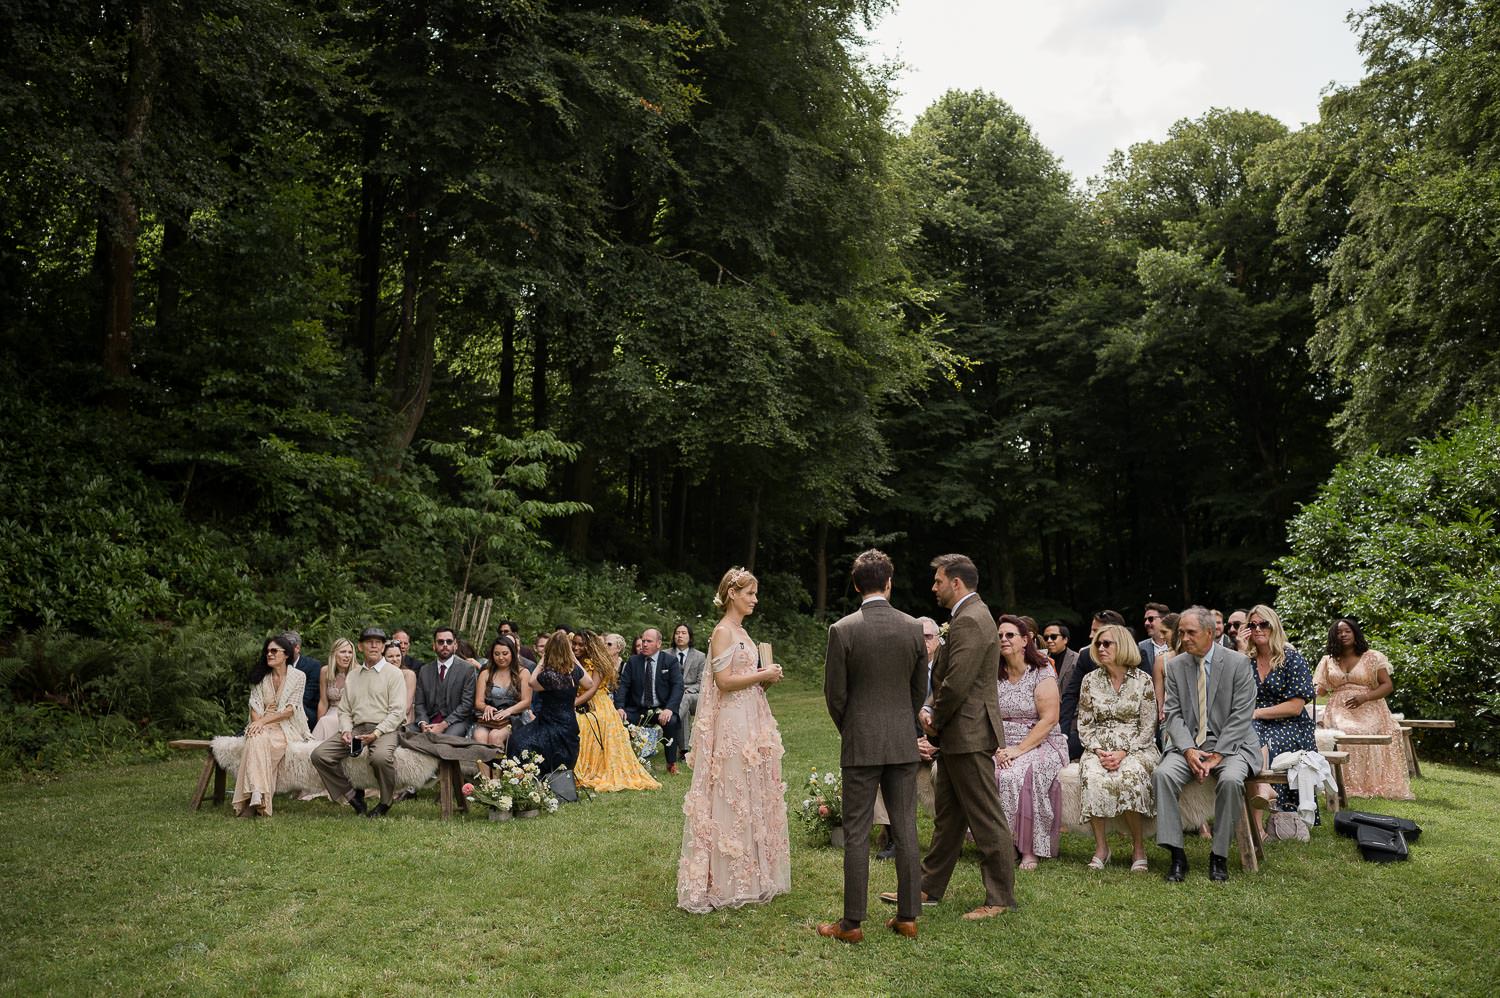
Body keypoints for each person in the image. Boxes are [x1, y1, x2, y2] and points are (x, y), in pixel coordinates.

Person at [883, 553, 1016, 921]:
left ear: (956, 582)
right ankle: (928, 887)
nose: (934, 587)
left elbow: (958, 681)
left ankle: (1000, 897)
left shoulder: (972, 620)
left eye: (938, 580)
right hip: (959, 733)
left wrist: (935, 718)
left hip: (969, 732)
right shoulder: (966, 617)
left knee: (986, 819)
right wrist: (930, 708)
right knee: (949, 819)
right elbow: (943, 674)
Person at [817, 550, 926, 943]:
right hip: (901, 741)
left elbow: (835, 693)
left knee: (858, 833)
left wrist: (852, 727)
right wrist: (903, 722)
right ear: (889, 583)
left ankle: (851, 924)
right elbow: (918, 690)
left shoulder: (842, 629)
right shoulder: (914, 627)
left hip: (860, 741)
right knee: (906, 828)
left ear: (857, 585)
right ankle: (908, 917)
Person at [677, 567, 791, 914]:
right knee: (732, 792)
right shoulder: (722, 632)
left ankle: (753, 874)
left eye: (755, 594)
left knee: (751, 789)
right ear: (732, 594)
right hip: (732, 722)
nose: (755, 600)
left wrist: (765, 680)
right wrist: (761, 673)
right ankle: (725, 878)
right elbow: (724, 681)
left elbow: (744, 679)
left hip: (751, 715)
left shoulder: (743, 632)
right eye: (750, 594)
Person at [1154, 606, 1259, 882]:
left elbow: (1241, 715)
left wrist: (1218, 754)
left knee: (1232, 781)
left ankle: (1219, 855)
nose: (1184, 638)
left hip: (1232, 743)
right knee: (1163, 775)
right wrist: (1188, 750)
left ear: (1210, 633)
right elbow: (1173, 714)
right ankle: (1177, 854)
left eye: (1191, 633)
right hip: (1189, 743)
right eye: (1181, 633)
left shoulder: (1238, 663)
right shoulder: (1175, 666)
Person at [1077, 624, 1159, 871]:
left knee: (1130, 775)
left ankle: (1138, 847)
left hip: (1137, 747)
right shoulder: (1090, 680)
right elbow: (1084, 723)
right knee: (1091, 775)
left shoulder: (1142, 680)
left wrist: (1124, 752)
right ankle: (1102, 848)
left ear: (1122, 645)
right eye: (1098, 644)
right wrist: (1099, 750)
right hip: (1099, 747)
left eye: (1107, 644)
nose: (1101, 648)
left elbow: (1149, 726)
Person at [993, 614, 1069, 870]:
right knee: (990, 772)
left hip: (1040, 740)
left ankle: (1029, 848)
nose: (1003, 639)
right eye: (1000, 635)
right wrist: (998, 748)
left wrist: (1017, 750)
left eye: (1010, 635)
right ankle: (1003, 844)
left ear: (1025, 640)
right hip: (1001, 742)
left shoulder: (1042, 670)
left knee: (1019, 774)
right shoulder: (994, 671)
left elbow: (1049, 719)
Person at [310, 625, 408, 817]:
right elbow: (344, 709)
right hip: (356, 728)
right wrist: (346, 730)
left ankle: (385, 802)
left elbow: (397, 712)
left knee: (380, 757)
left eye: (378, 642)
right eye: (369, 642)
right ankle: (352, 795)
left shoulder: (394, 673)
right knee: (319, 755)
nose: (374, 646)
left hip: (385, 729)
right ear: (360, 647)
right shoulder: (353, 675)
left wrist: (376, 734)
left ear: (383, 647)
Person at [1314, 617, 1413, 800]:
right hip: (1339, 708)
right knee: (1344, 730)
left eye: (1347, 631)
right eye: (1338, 632)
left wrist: (1364, 697)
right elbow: (1320, 688)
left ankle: (1369, 783)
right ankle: (1345, 782)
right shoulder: (1328, 660)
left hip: (1369, 706)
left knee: (1362, 730)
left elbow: (1387, 685)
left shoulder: (1373, 657)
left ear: (1355, 633)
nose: (1343, 635)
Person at [1244, 604, 1319, 827]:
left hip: (1291, 723)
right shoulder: (1245, 661)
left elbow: (1295, 707)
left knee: (1271, 740)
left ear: (1274, 626)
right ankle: (1262, 794)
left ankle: (1262, 801)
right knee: (1248, 740)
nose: (1258, 629)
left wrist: (1256, 712)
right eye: (1252, 625)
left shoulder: (1292, 659)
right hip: (1255, 722)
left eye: (1263, 624)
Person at [233, 635, 313, 817]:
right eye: (267, 651)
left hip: (286, 726)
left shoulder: (298, 676)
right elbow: (254, 705)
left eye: (274, 651)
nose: (269, 654)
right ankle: (258, 797)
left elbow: (290, 711)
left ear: (286, 655)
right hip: (260, 723)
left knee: (260, 743)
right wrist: (257, 723)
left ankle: (251, 798)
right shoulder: (260, 676)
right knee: (255, 739)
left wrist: (261, 721)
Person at [574, 630, 660, 792]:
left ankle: (594, 769)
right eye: (574, 644)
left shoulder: (598, 662)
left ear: (589, 645)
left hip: (598, 703)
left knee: (591, 726)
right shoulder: (578, 660)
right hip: (581, 701)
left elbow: (590, 687)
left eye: (580, 644)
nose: (576, 647)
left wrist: (573, 703)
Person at [507, 630, 588, 772]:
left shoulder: (549, 675)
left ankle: (529, 774)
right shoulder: (573, 671)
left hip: (549, 723)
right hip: (569, 724)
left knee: (518, 740)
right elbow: (590, 683)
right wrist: (574, 660)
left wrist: (542, 660)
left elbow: (532, 683)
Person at [1059, 609, 1127, 760]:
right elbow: (1071, 694)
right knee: (1061, 752)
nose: (1090, 636)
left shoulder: (1137, 657)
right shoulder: (1086, 656)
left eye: (1095, 631)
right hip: (1092, 731)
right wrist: (1063, 733)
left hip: (1128, 733)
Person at [615, 627, 685, 774]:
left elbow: (678, 687)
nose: (644, 644)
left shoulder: (670, 662)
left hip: (661, 709)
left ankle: (671, 763)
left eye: (649, 641)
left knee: (671, 722)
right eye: (643, 640)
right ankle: (626, 762)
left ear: (658, 644)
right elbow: (623, 686)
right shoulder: (633, 661)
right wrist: (620, 707)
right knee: (620, 721)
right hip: (637, 709)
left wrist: (669, 709)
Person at [410, 627, 477, 738]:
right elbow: (420, 703)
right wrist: (423, 723)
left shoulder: (467, 669)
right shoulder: (425, 670)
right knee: (405, 732)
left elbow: (466, 705)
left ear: (455, 645)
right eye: (441, 642)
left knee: (444, 739)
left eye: (449, 641)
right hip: (429, 720)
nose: (445, 645)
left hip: (456, 722)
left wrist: (442, 725)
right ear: (434, 645)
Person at [472, 635, 533, 754]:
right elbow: (478, 702)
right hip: (490, 717)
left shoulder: (523, 673)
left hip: (514, 717)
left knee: (495, 736)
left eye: (505, 653)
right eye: (496, 654)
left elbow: (526, 701)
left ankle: (498, 772)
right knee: (479, 736)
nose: (501, 658)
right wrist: (486, 707)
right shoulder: (486, 673)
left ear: (512, 653)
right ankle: (484, 772)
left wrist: (508, 711)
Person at [670, 624, 708, 760]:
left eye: (683, 633)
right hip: (672, 696)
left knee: (685, 698)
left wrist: (687, 690)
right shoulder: (665, 654)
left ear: (690, 637)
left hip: (694, 695)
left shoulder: (700, 656)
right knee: (682, 704)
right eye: (677, 633)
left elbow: (702, 682)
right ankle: (684, 750)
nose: (680, 636)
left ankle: (669, 725)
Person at [310, 637, 356, 741]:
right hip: (332, 711)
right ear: (334, 653)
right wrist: (319, 722)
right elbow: (323, 702)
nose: (347, 656)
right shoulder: (325, 671)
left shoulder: (357, 671)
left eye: (350, 652)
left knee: (327, 721)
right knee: (324, 721)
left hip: (351, 714)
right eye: (343, 652)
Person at [282, 629, 322, 730]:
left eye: (285, 649)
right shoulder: (277, 665)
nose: (282, 652)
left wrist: (284, 706)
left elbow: (307, 697)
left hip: (305, 708)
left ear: (297, 648)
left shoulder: (313, 666)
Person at [1042, 622, 1078, 693]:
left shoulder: (1077, 659)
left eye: (1053, 637)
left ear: (1065, 639)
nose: (1049, 640)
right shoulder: (1041, 660)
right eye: (1046, 638)